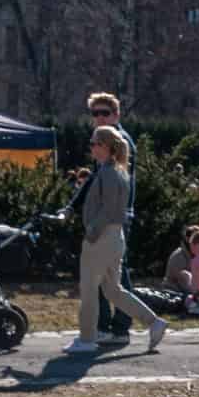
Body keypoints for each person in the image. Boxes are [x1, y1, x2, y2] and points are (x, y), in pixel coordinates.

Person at [67, 127, 168, 355]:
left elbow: (109, 209)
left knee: (89, 288)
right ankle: (154, 322)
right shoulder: (114, 170)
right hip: (112, 237)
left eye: (94, 143)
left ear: (105, 146)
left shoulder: (109, 172)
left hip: (102, 237)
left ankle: (87, 338)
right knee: (113, 290)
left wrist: (92, 231)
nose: (91, 147)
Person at [66, 92, 138, 344]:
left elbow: (118, 188)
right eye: (95, 113)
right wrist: (72, 206)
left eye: (104, 112)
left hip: (113, 220)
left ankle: (115, 327)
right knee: (111, 277)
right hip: (110, 220)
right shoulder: (102, 144)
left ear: (116, 115)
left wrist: (101, 222)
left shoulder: (119, 143)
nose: (99, 118)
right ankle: (116, 327)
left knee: (107, 276)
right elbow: (93, 182)